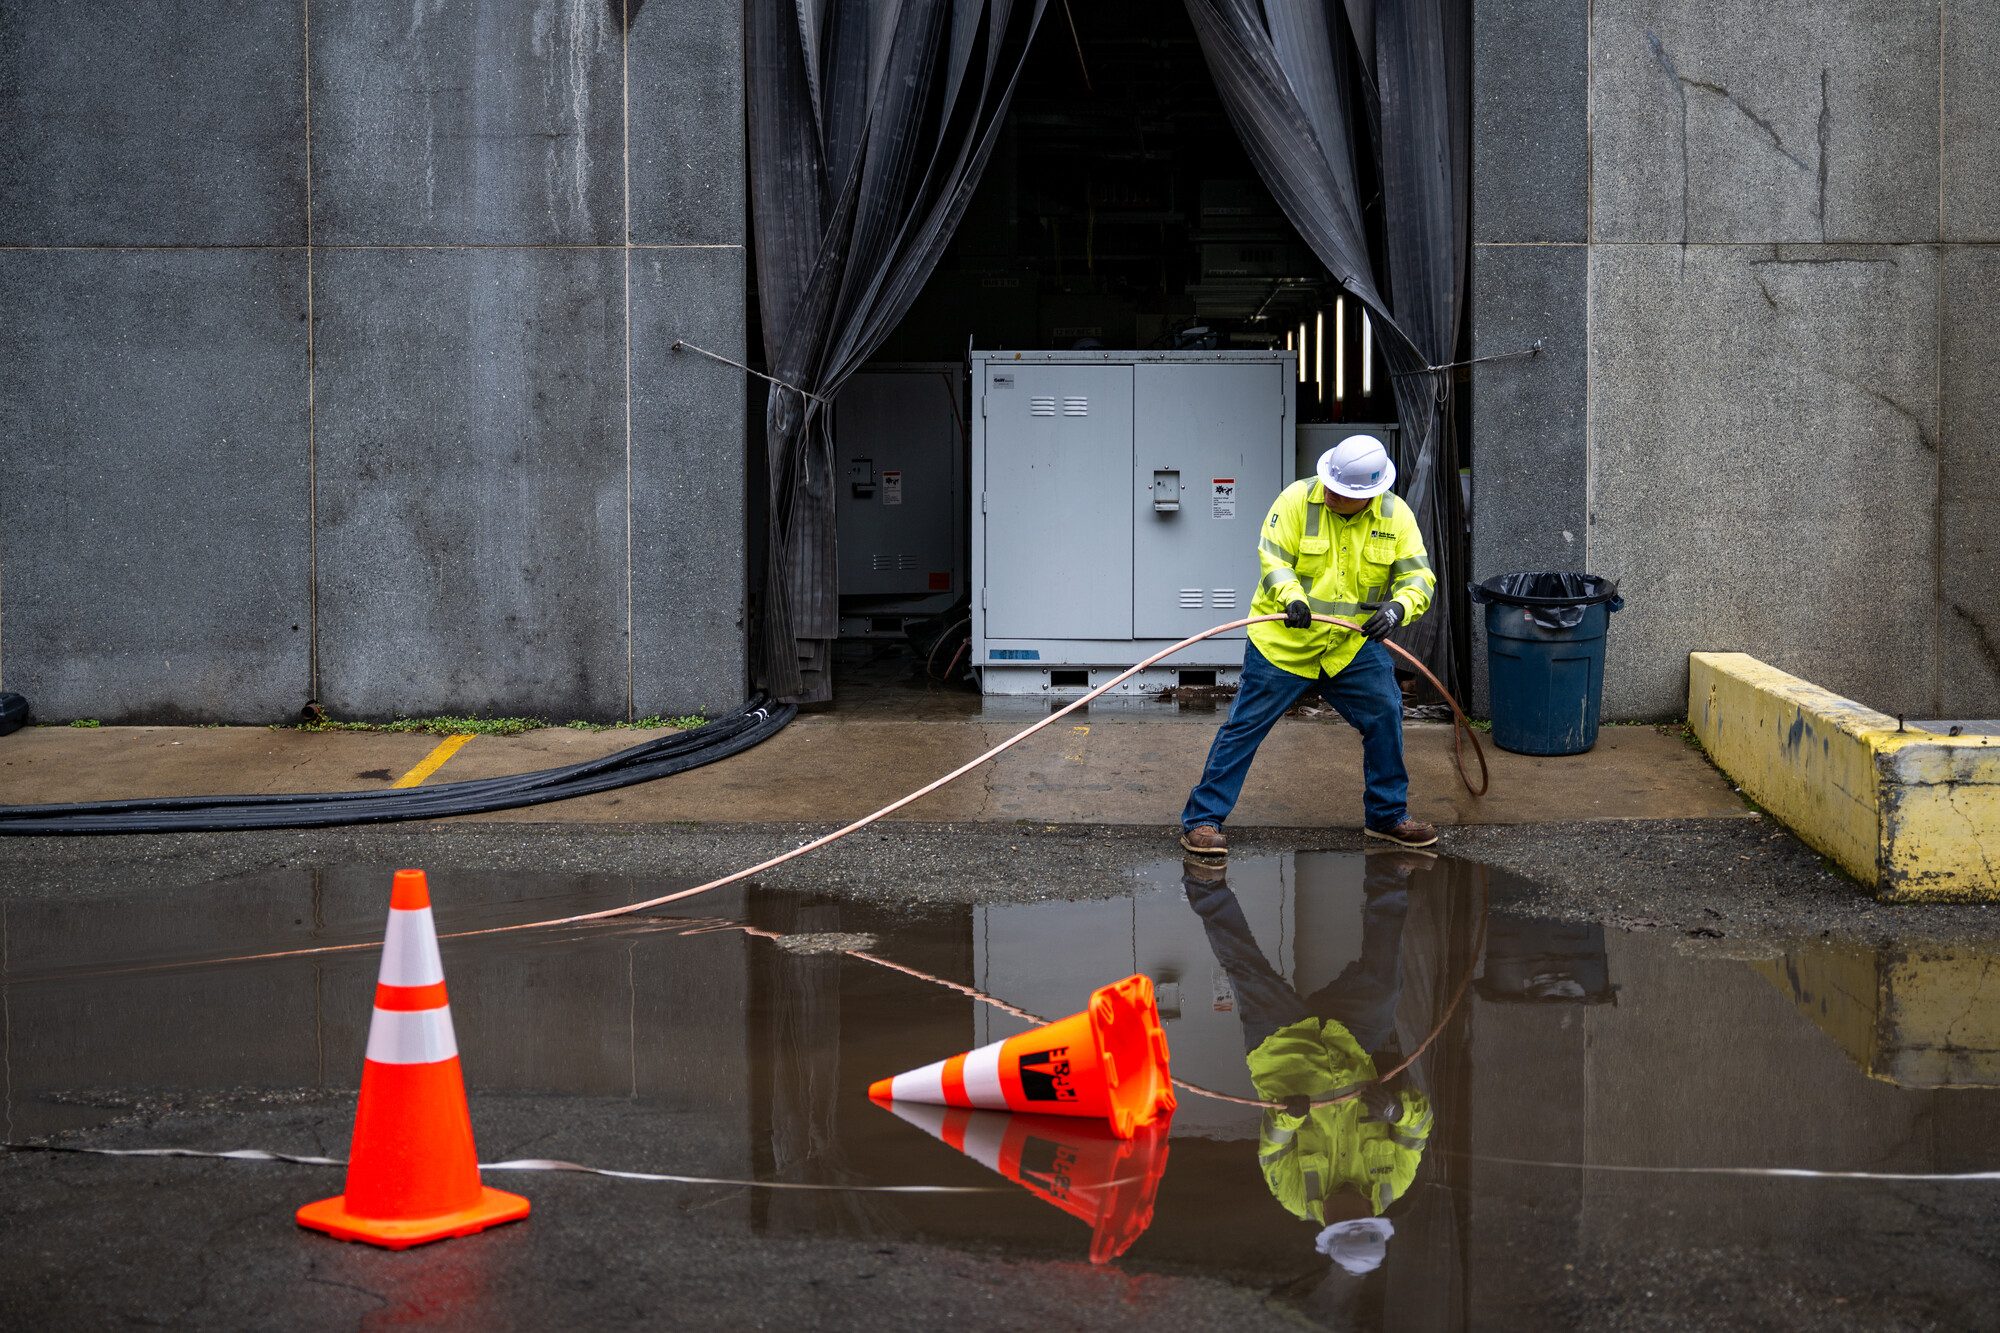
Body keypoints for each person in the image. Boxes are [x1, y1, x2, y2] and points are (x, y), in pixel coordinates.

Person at [1181, 435, 1438, 854]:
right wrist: (1291, 597)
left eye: (1342, 493)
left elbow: (1418, 578)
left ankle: (1387, 816)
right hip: (1284, 645)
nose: (1331, 494)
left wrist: (1397, 608)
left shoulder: (1396, 516)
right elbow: (1274, 558)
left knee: (1385, 715)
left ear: (1370, 494)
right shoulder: (1297, 500)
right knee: (1244, 729)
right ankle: (1202, 820)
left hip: (1348, 647)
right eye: (1331, 485)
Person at [1181, 850, 1436, 1263]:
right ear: (1373, 1217)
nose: (1354, 1210)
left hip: (1284, 1052)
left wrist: (1288, 1118)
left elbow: (1272, 1150)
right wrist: (1396, 1112)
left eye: (1345, 1219)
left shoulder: (1295, 1197)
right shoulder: (1394, 1186)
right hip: (1350, 1044)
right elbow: (1420, 1126)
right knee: (1384, 986)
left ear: (1329, 1227)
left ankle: (1205, 885)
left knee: (1247, 970)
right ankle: (1390, 872)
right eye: (1363, 1217)